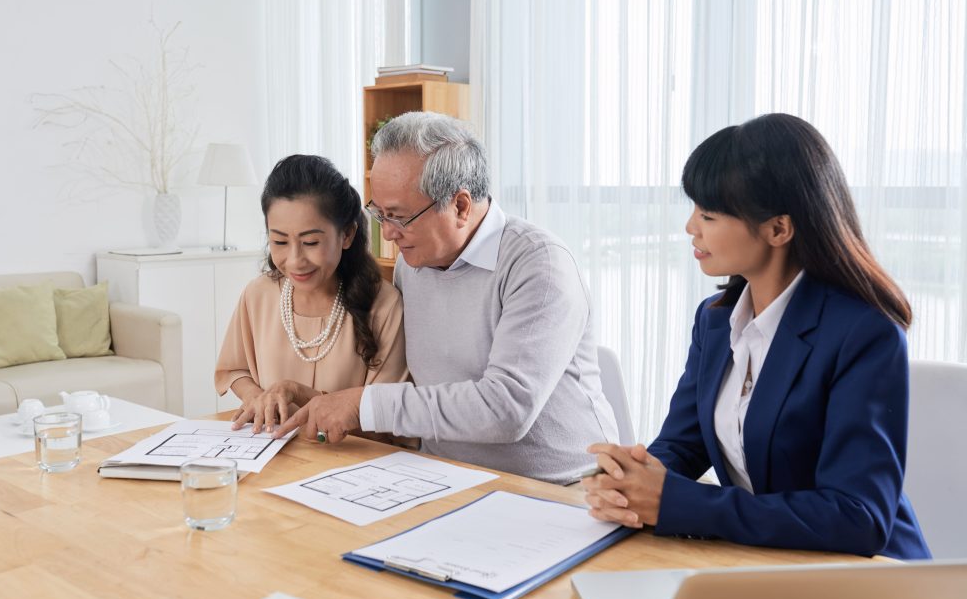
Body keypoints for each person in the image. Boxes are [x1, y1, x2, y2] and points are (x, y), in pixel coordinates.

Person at [582, 113, 930, 559]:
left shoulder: (865, 332)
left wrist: (680, 502)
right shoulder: (714, 319)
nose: (691, 227)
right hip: (761, 559)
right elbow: (683, 444)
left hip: (867, 577)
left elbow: (858, 516)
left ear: (778, 229)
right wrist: (631, 477)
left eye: (708, 214)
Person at [275, 111, 619, 485]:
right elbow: (423, 393)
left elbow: (506, 409)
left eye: (399, 217)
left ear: (460, 205)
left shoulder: (539, 265)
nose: (388, 233)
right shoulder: (414, 263)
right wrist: (322, 400)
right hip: (446, 477)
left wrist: (361, 405)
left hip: (559, 488)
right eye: (379, 213)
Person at [216, 154, 409, 434]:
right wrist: (258, 399)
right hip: (271, 452)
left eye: (310, 242)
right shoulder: (258, 294)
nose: (295, 260)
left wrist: (296, 392)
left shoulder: (384, 305)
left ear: (346, 235)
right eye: (279, 241)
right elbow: (234, 370)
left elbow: (385, 416)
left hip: (354, 461)